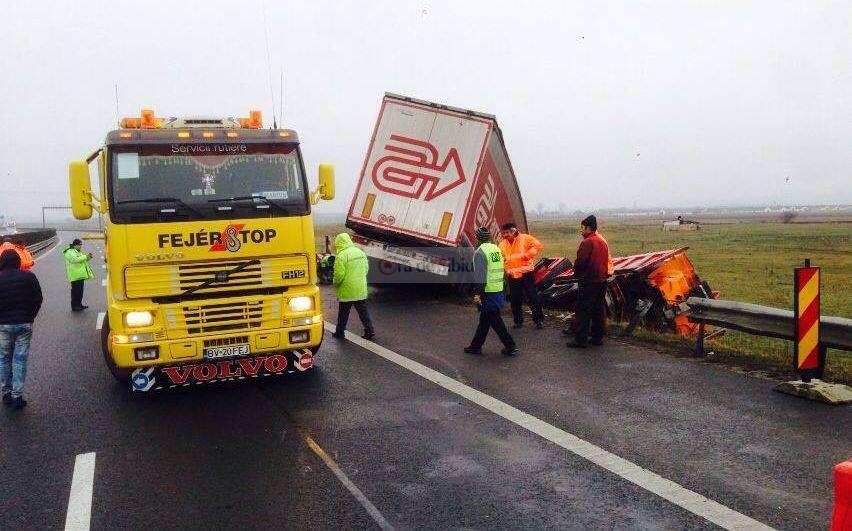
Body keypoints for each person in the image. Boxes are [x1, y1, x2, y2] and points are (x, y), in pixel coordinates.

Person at [464, 227, 518, 356]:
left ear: (477, 238)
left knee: (495, 320)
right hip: (498, 289)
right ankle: (475, 346)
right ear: (489, 237)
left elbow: (480, 276)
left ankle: (510, 345)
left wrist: (477, 293)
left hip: (487, 292)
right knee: (485, 320)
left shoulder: (480, 252)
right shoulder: (496, 249)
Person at [0, 250, 43, 408]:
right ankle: (17, 396)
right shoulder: (28, 277)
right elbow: (38, 298)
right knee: (20, 360)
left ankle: (6, 393)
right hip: (24, 324)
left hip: (3, 325)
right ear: (18, 261)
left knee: (4, 359)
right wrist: (30, 316)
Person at [567, 215, 612, 348]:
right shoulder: (602, 241)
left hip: (588, 281)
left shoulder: (587, 242)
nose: (581, 231)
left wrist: (577, 273)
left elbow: (580, 262)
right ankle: (597, 337)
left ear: (589, 228)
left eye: (582, 228)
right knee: (598, 309)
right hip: (601, 280)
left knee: (583, 310)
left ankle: (581, 340)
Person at [498, 222, 544, 329]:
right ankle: (518, 321)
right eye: (504, 233)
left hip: (527, 274)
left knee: (532, 297)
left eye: (507, 232)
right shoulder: (502, 244)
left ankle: (538, 321)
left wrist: (528, 255)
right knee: (515, 299)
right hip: (513, 276)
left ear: (514, 231)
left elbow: (537, 245)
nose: (505, 235)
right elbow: (501, 258)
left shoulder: (525, 238)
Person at [331, 233, 374, 340]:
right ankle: (369, 331)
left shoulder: (341, 256)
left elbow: (339, 275)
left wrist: (335, 283)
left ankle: (340, 332)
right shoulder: (360, 252)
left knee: (343, 314)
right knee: (363, 312)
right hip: (360, 289)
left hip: (347, 290)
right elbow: (366, 268)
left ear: (339, 243)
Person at [64, 239, 94, 312]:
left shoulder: (78, 251)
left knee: (80, 291)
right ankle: (74, 306)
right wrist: (85, 256)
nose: (80, 246)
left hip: (80, 275)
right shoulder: (70, 251)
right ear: (75, 245)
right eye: (79, 245)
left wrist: (88, 257)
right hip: (75, 276)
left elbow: (82, 260)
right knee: (75, 292)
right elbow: (74, 260)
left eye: (81, 245)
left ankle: (79, 304)